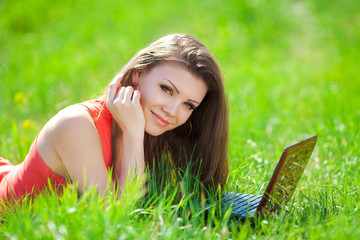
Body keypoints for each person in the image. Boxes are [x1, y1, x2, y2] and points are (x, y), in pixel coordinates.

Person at [0, 34, 229, 205]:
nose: (172, 110)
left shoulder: (154, 130)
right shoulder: (76, 126)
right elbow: (116, 217)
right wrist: (133, 133)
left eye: (188, 105)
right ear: (138, 74)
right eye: (166, 89)